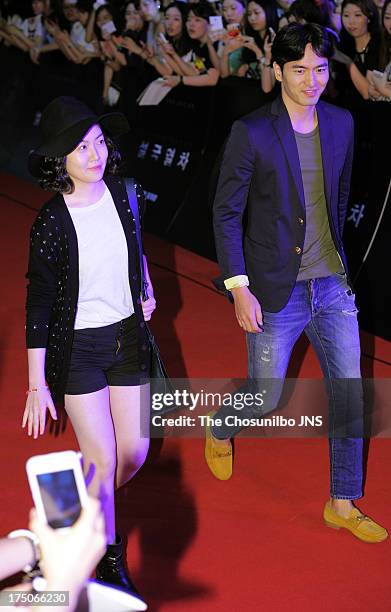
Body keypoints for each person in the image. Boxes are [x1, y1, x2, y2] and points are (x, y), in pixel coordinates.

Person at [208, 22, 388, 544]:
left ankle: (342, 501)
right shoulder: (252, 132)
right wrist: (238, 286)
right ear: (278, 69)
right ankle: (221, 425)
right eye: (300, 70)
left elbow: (338, 195)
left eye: (321, 69)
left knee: (350, 393)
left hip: (331, 284)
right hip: (272, 288)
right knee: (266, 397)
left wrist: (336, 263)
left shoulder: (341, 123)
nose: (312, 80)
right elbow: (226, 213)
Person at [22, 96, 156, 593]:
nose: (95, 154)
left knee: (135, 452)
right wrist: (37, 384)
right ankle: (106, 557)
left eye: (99, 142)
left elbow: (135, 243)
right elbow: (37, 302)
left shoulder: (126, 192)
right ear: (62, 159)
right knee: (101, 457)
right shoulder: (52, 221)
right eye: (81, 147)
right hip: (78, 349)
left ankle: (67, 515)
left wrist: (145, 283)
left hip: (127, 338)